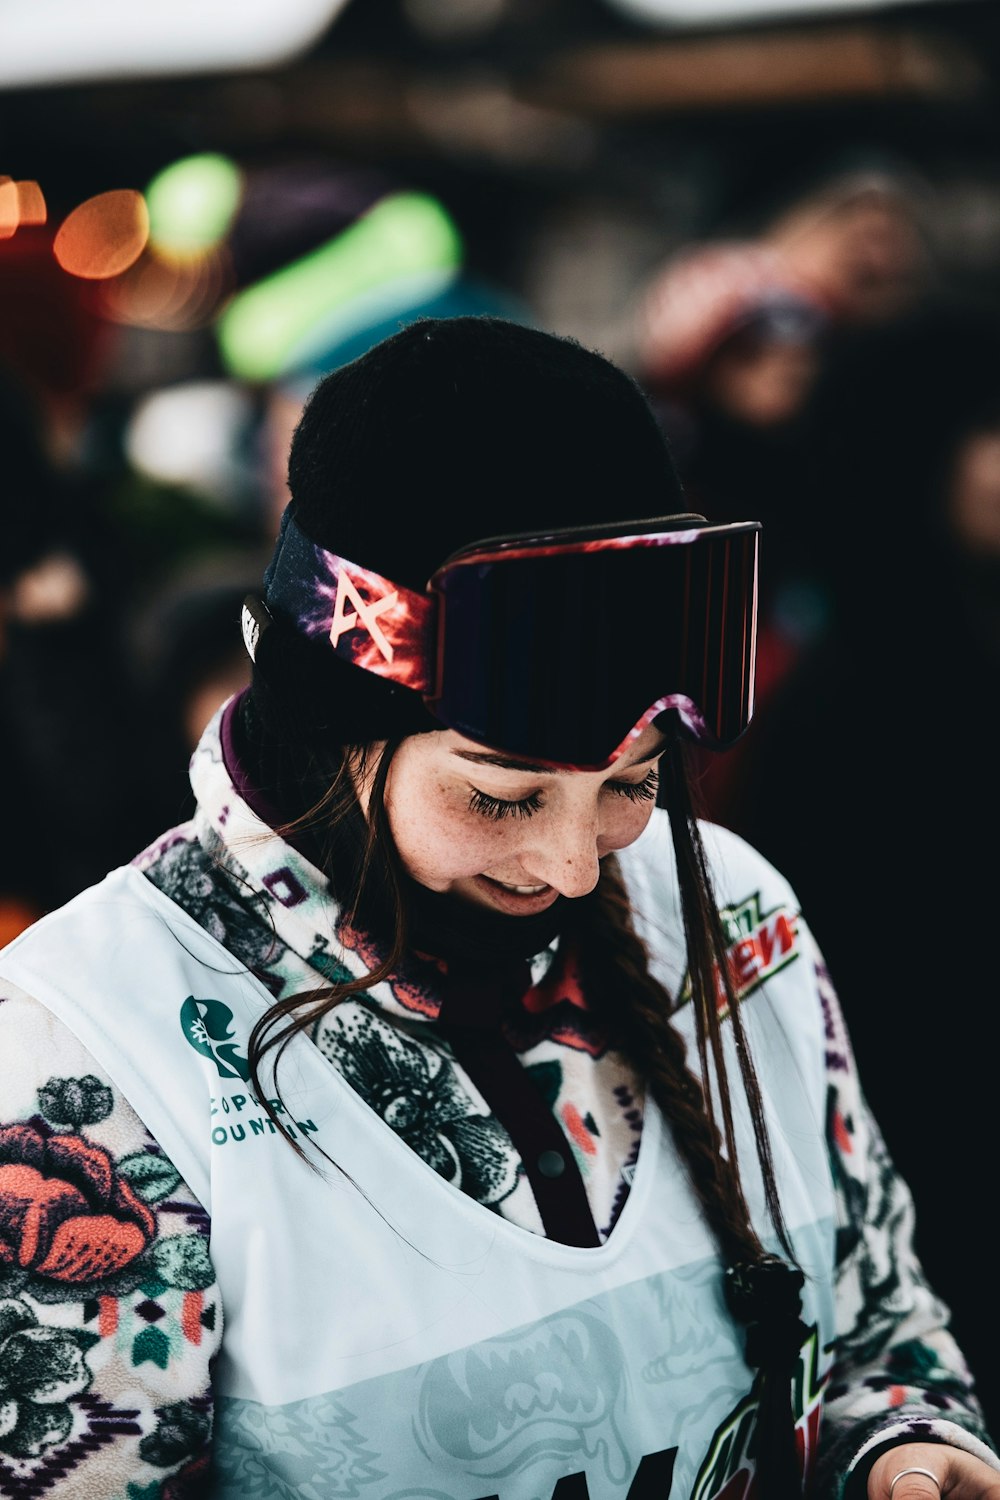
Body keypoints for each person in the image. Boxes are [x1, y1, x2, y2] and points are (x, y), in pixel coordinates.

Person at [0, 316, 997, 1500]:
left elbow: (878, 1318)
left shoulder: (730, 917)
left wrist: (899, 1443)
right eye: (501, 796)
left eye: (633, 783)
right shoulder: (94, 1047)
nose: (576, 867)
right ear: (334, 732)